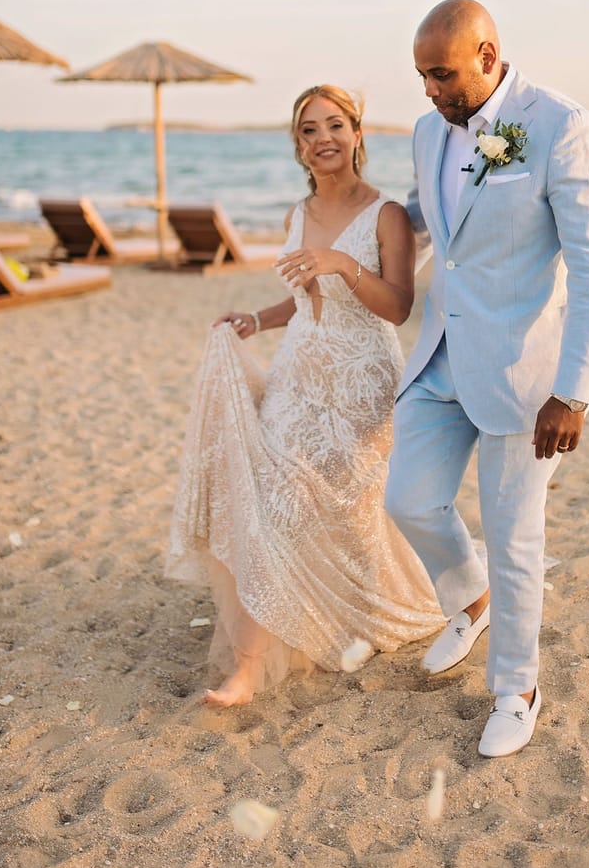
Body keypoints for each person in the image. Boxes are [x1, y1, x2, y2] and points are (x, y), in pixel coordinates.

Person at [385, 0, 589, 758]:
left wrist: (576, 389)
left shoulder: (564, 128)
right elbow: (434, 225)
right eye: (422, 76)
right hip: (439, 358)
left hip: (527, 377)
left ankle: (517, 687)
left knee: (515, 537)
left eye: (441, 74)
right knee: (410, 499)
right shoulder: (429, 133)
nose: (429, 91)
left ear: (488, 55)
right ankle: (471, 597)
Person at [167, 84, 444, 706]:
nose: (324, 139)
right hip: (298, 374)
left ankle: (339, 613)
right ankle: (247, 667)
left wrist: (343, 264)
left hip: (359, 380)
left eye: (335, 125)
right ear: (299, 145)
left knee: (340, 513)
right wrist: (255, 322)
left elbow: (397, 308)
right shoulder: (296, 212)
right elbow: (300, 301)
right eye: (310, 130)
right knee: (271, 493)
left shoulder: (388, 215)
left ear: (357, 134)